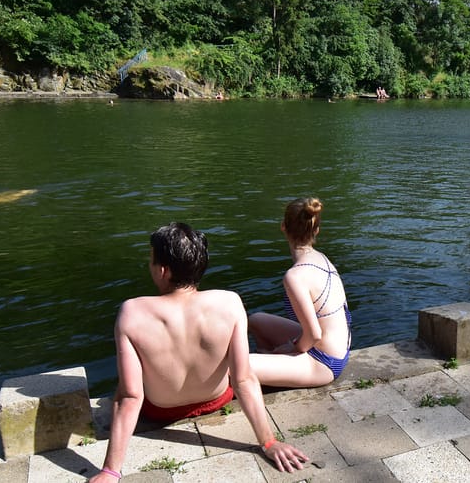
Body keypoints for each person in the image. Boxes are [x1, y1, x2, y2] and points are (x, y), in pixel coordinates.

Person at [90, 223, 308, 482]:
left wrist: (110, 470)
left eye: (150, 260)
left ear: (162, 270)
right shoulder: (230, 303)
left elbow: (131, 397)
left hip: (160, 410)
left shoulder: (132, 313)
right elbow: (243, 379)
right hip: (217, 399)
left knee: (121, 389)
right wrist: (269, 442)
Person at [248, 197, 351, 388]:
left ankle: (267, 368)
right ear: (316, 230)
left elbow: (314, 335)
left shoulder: (294, 276)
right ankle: (269, 372)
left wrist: (293, 347)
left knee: (236, 365)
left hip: (323, 362)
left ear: (283, 227)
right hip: (339, 348)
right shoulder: (323, 259)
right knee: (256, 320)